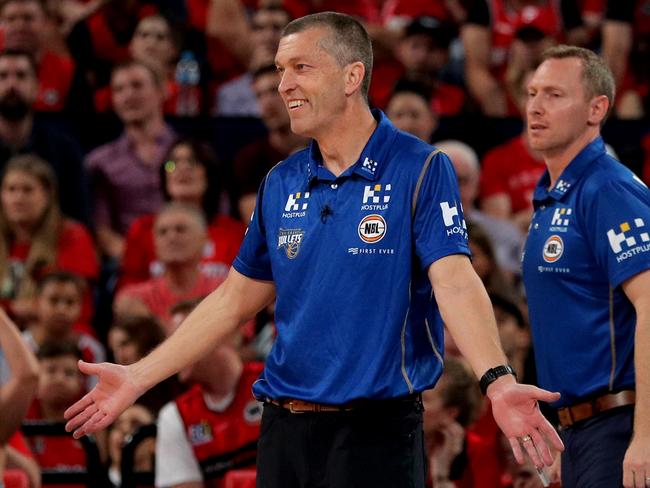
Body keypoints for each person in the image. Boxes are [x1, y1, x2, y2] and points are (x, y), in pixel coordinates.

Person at [65, 12, 563, 487]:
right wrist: (138, 376)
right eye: (281, 70)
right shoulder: (280, 182)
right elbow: (232, 301)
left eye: (301, 68)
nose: (284, 85)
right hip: (284, 428)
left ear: (352, 76)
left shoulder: (420, 167)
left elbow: (453, 279)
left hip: (377, 433)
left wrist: (497, 381)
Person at [522, 45, 650, 487]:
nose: (535, 107)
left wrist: (645, 436)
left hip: (620, 425)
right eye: (532, 92)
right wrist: (565, 434)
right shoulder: (553, 196)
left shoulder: (606, 189)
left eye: (554, 95)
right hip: (582, 431)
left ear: (597, 108)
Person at [155, 305, 262, 488]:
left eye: (178, 341)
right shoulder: (175, 416)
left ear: (215, 336)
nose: (170, 354)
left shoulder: (273, 385)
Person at [120, 138, 245, 288]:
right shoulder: (143, 229)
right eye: (172, 164)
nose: (182, 168)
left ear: (209, 175)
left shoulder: (234, 233)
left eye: (192, 162)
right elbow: (127, 293)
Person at [84, 60, 176, 260]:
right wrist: (142, 262)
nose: (128, 96)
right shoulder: (99, 162)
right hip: (129, 264)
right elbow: (103, 233)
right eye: (119, 89)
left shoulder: (190, 154)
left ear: (163, 90)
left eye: (137, 85)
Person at [0, 154, 99, 328]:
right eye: (11, 189)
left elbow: (67, 304)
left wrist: (11, 309)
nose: (18, 198)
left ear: (47, 195)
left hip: (62, 339)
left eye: (27, 190)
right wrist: (17, 309)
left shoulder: (72, 235)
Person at [0, 49, 91, 226]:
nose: (12, 84)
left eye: (21, 76)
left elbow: (80, 219)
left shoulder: (65, 149)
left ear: (37, 87)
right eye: (2, 76)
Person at [114, 203, 225, 330]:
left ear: (204, 239)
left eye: (181, 229)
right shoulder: (132, 299)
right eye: (162, 232)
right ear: (154, 244)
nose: (171, 237)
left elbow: (234, 342)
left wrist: (151, 323)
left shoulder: (224, 290)